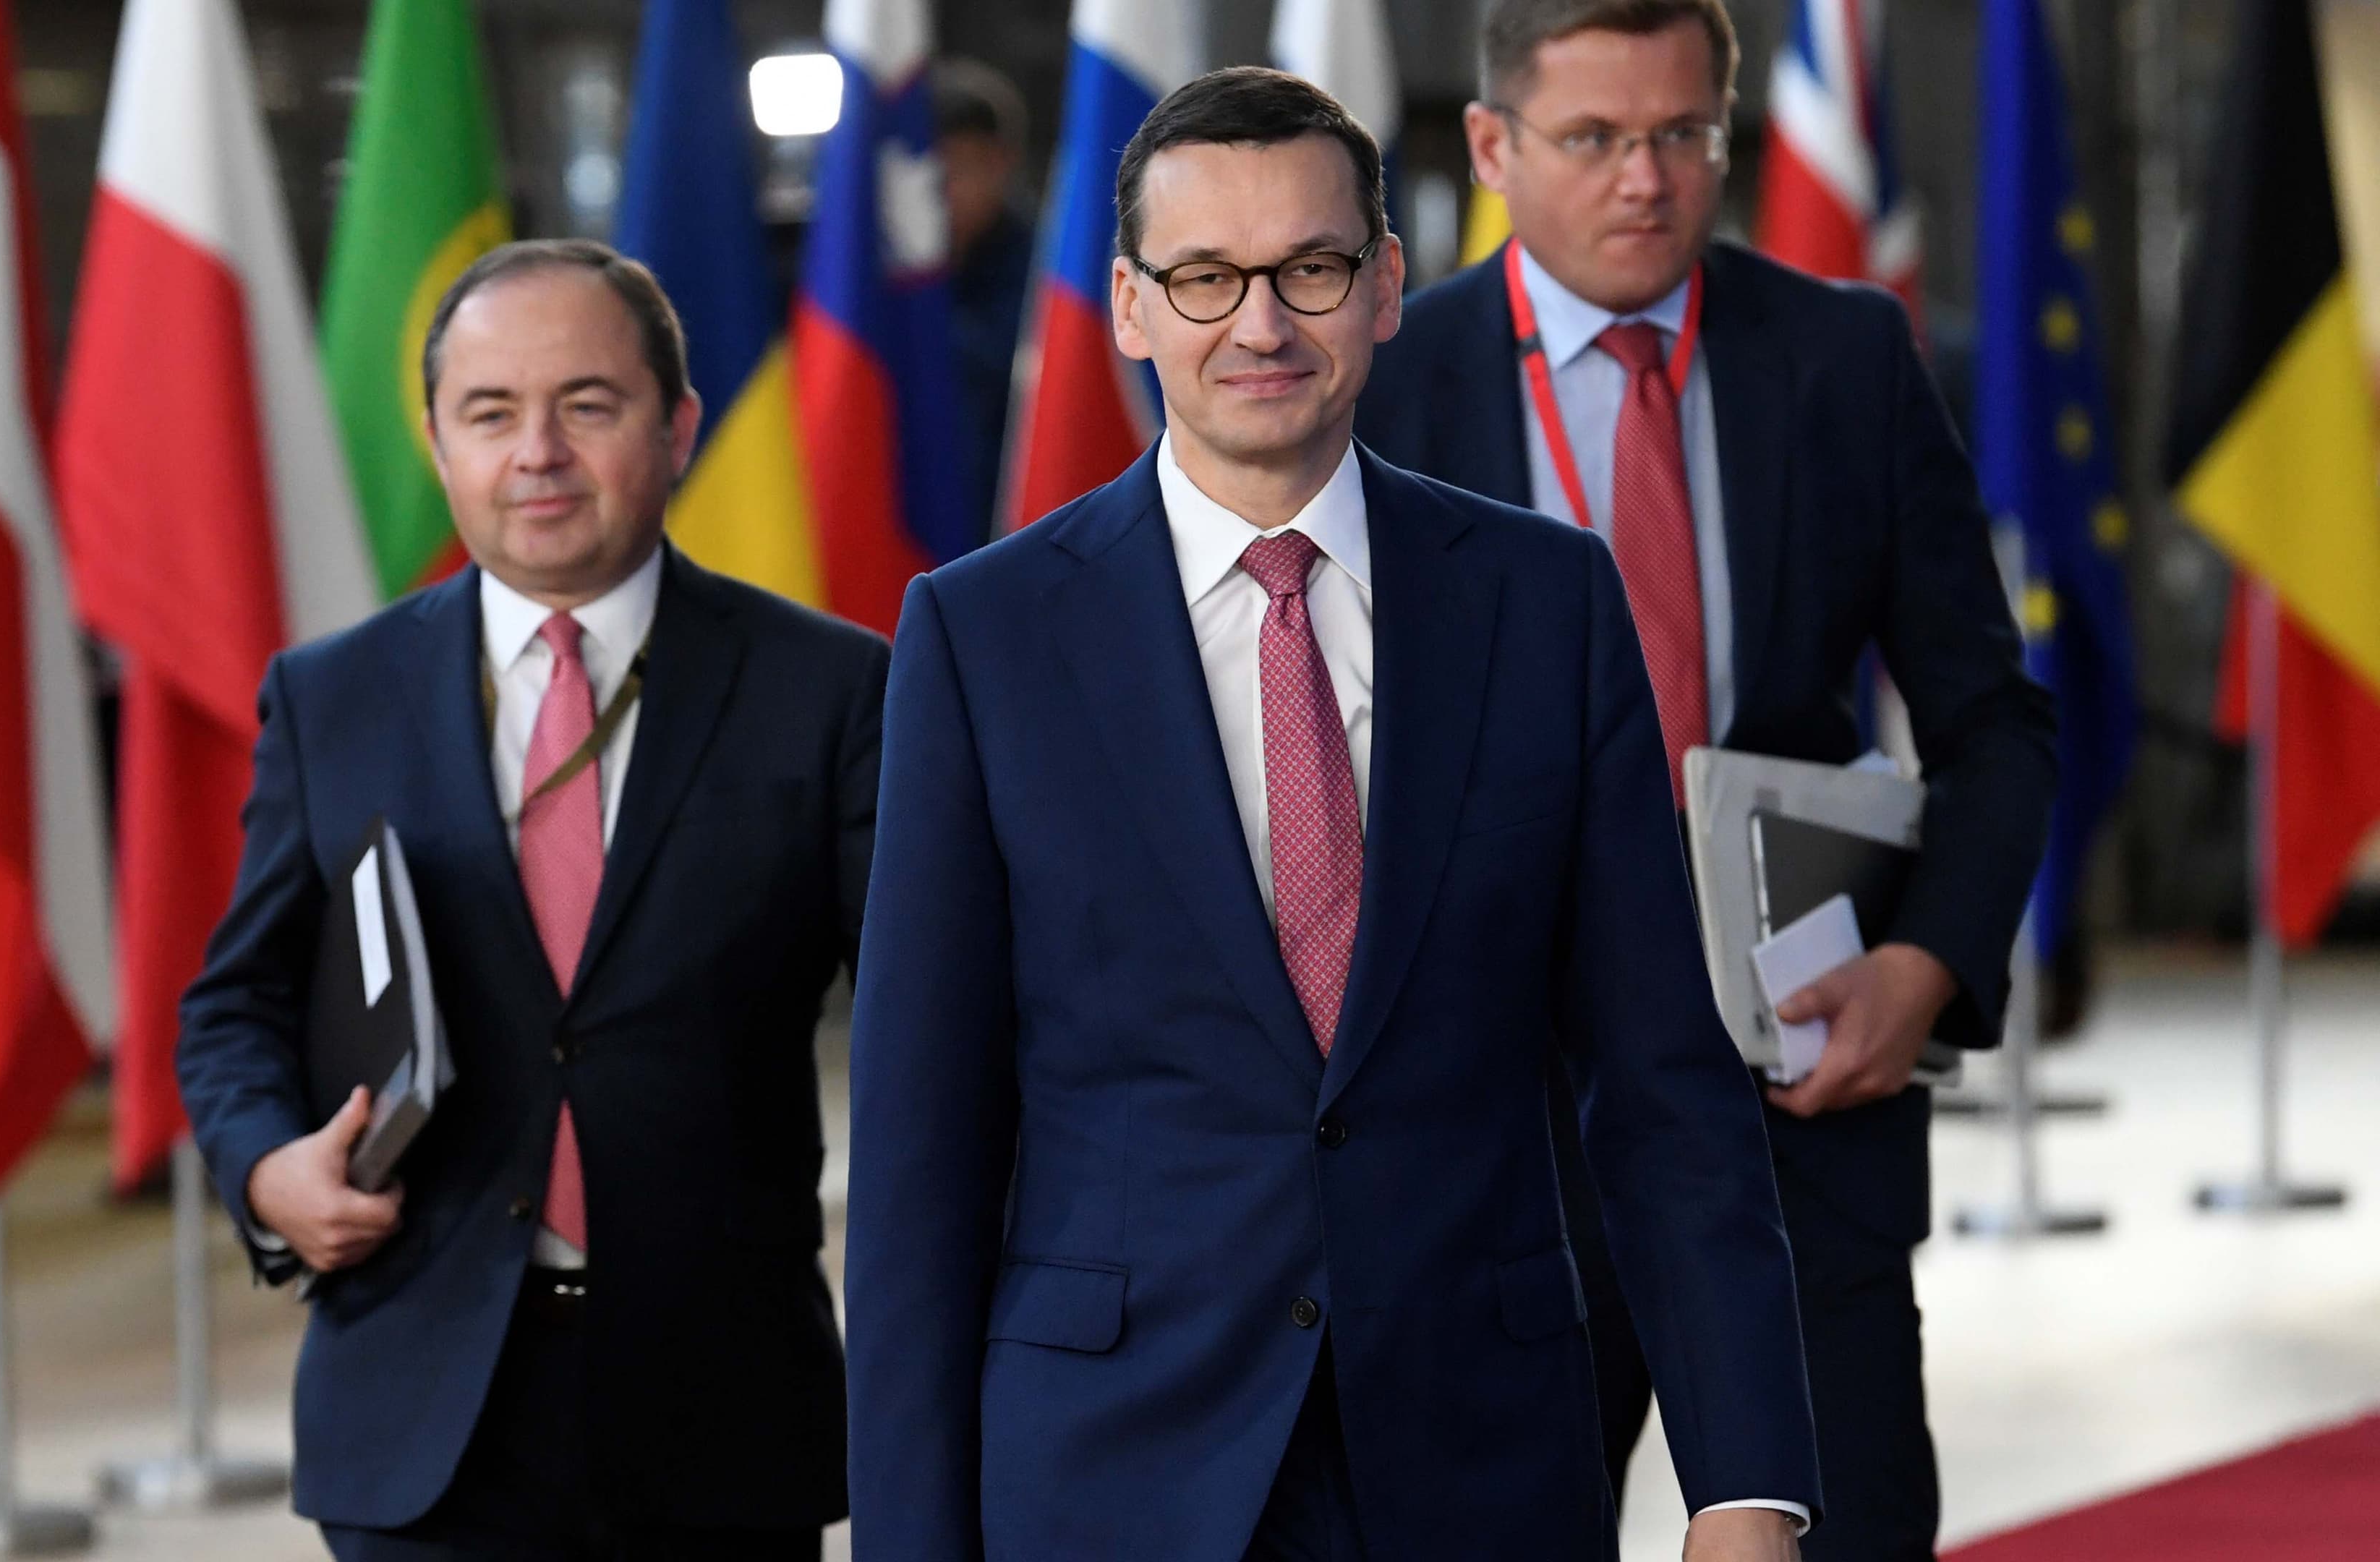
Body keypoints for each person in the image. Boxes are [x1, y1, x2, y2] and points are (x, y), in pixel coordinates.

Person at [846, 66, 1818, 1562]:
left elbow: (1662, 1077)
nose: (1259, 324)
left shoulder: (1542, 604)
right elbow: (922, 1152)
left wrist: (1743, 1478)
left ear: (1385, 290)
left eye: (1309, 268)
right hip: (1115, 1466)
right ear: (1128, 304)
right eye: (1206, 278)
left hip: (1479, 1455)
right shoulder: (984, 639)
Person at [1355, 4, 2057, 1558]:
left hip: (1804, 1084)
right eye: (1595, 138)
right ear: (1490, 146)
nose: (1647, 182)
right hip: (1495, 1124)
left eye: (1684, 135)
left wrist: (1927, 967)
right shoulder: (1388, 392)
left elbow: (1997, 722)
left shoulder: (1845, 357)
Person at [177, 238, 886, 1562]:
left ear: (677, 428)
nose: (538, 452)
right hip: (419, 1403)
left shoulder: (832, 689)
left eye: (588, 404)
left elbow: (930, 1019)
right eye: (491, 414)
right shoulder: (335, 697)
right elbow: (239, 1002)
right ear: (440, 445)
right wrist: (268, 1170)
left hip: (720, 1409)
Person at [937, 56, 1037, 549]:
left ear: (1001, 163)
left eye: (958, 171)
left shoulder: (1043, 283)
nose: (941, 195)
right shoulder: (865, 287)